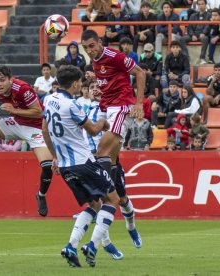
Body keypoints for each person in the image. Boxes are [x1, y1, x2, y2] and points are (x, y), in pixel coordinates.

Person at [41, 65, 118, 268]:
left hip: (66, 167)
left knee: (94, 204)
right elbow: (93, 130)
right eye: (80, 83)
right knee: (112, 199)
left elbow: (45, 130)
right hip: (83, 162)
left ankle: (71, 246)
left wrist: (55, 156)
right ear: (75, 83)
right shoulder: (71, 105)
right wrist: (103, 122)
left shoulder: (48, 100)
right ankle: (92, 246)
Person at [81, 30, 144, 257]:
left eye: (92, 46)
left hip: (121, 107)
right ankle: (127, 228)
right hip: (107, 109)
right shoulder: (96, 63)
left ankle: (96, 203)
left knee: (100, 153)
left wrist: (138, 103)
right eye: (86, 48)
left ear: (99, 42)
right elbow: (109, 80)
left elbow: (140, 72)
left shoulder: (113, 55)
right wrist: (96, 81)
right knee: (120, 194)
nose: (90, 51)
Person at [0, 65, 55, 217]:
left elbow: (39, 112)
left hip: (35, 128)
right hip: (16, 123)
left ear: (11, 79)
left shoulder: (22, 88)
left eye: (2, 80)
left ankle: (41, 195)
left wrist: (14, 110)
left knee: (47, 166)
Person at [180, 0, 210, 64]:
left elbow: (208, 26)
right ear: (197, 5)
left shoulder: (209, 15)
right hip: (193, 34)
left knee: (205, 39)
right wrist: (192, 35)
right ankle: (187, 58)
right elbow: (189, 27)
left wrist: (204, 33)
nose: (201, 6)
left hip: (202, 34)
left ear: (205, 5)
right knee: (181, 39)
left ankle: (202, 58)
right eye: (199, 4)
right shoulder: (193, 15)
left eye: (202, 4)